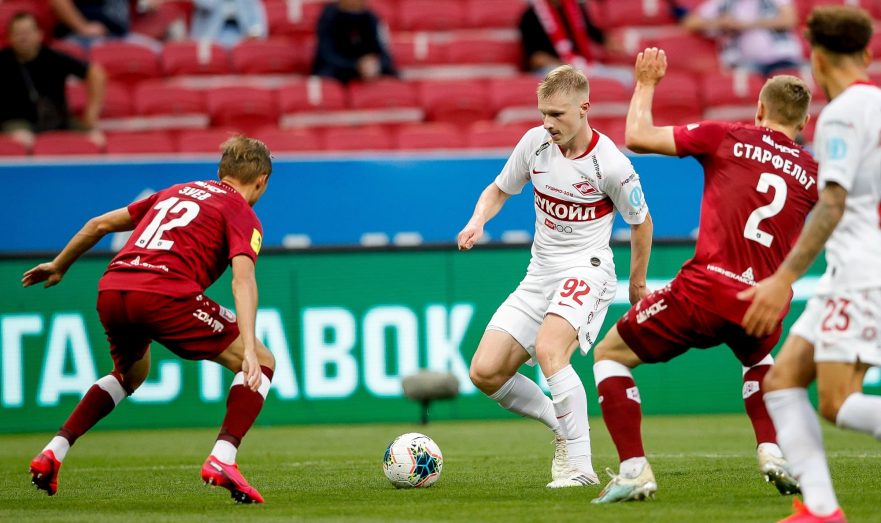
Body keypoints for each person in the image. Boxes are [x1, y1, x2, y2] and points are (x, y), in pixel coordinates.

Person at [590, 48, 819, 504]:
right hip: (763, 302)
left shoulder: (727, 136)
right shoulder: (813, 173)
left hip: (706, 290)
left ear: (760, 109)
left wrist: (647, 82)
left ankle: (634, 470)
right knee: (758, 360)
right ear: (804, 122)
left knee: (609, 354)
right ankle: (772, 450)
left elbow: (637, 135)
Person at [26, 136, 276, 504]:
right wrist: (249, 349)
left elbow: (98, 224)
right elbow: (243, 280)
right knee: (263, 359)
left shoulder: (175, 191)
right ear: (261, 181)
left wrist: (59, 265)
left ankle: (53, 452)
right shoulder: (241, 212)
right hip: (164, 293)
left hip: (113, 289)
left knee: (131, 374)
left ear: (221, 171)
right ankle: (223, 459)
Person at [458, 65, 653, 488]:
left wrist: (637, 284)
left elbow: (641, 222)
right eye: (544, 113)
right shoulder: (535, 144)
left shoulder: (611, 165)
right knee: (485, 372)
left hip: (588, 269)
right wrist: (478, 221)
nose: (548, 122)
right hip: (539, 274)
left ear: (584, 108)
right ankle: (562, 427)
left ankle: (580, 467)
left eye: (558, 114)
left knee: (550, 350)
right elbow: (498, 189)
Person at [739, 6, 880, 522]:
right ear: (866, 52)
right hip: (854, 271)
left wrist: (783, 278)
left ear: (816, 59)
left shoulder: (841, 114)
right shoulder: (877, 103)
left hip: (860, 272)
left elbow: (832, 202)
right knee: (781, 382)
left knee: (838, 402)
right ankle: (820, 510)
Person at [0, 11, 106, 149]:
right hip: (16, 122)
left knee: (96, 139)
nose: (23, 37)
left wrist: (91, 113)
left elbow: (95, 73)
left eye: (27, 32)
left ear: (39, 34)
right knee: (22, 141)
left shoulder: (54, 57)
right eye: (18, 33)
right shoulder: (3, 61)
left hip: (58, 120)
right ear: (10, 37)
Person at [518, 0, 631, 85]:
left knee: (626, 76)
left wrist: (616, 45)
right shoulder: (530, 16)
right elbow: (536, 59)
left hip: (581, 65)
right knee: (567, 81)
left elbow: (594, 34)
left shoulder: (575, 9)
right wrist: (566, 66)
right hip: (551, 68)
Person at [682, 0, 804, 76]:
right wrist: (721, 22)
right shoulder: (721, 2)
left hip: (782, 60)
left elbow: (790, 20)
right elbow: (690, 23)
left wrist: (746, 25)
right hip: (742, 66)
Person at [311, 0, 396, 84]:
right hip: (338, 70)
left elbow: (385, 56)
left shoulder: (371, 17)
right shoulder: (329, 16)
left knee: (392, 77)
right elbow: (326, 55)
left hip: (367, 70)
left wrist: (375, 64)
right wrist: (356, 66)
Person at [190, 0, 267, 48]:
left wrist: (255, 32)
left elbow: (256, 20)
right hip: (211, 35)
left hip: (240, 34)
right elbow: (205, 4)